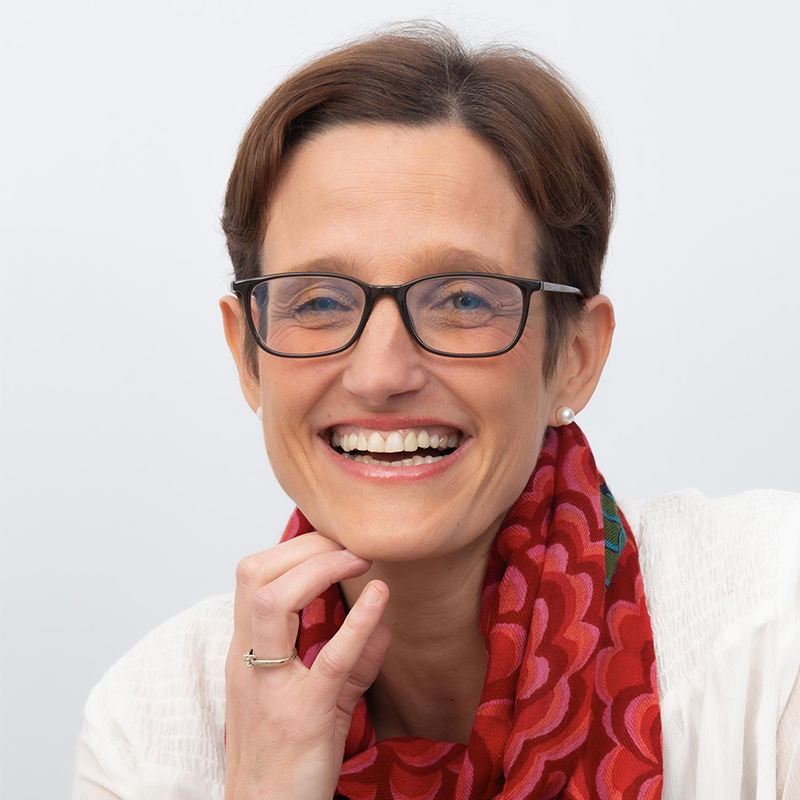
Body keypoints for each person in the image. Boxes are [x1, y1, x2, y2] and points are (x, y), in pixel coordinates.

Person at [72, 23, 800, 800]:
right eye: (318, 301)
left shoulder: (771, 629)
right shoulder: (151, 728)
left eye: (462, 299)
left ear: (576, 357)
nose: (381, 372)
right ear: (246, 353)